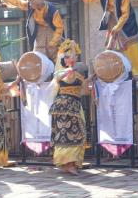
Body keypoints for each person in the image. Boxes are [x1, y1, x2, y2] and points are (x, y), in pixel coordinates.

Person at [68, 0, 138, 77]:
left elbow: (125, 14)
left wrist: (118, 27)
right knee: (110, 45)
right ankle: (112, 70)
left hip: (126, 22)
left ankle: (136, 72)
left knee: (129, 43)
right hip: (111, 19)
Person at [49, 39, 88, 175]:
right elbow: (63, 79)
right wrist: (69, 70)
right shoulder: (60, 73)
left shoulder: (79, 74)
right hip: (64, 108)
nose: (71, 58)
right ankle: (68, 164)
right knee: (65, 134)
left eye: (73, 55)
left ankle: (71, 163)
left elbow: (84, 90)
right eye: (67, 56)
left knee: (75, 134)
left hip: (75, 107)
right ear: (63, 59)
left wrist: (91, 81)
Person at [0, 0, 64, 61]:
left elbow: (59, 27)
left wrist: (53, 41)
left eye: (32, 4)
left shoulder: (52, 10)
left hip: (51, 29)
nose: (29, 5)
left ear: (38, 4)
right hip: (40, 28)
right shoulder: (31, 5)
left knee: (53, 50)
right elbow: (18, 2)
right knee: (38, 52)